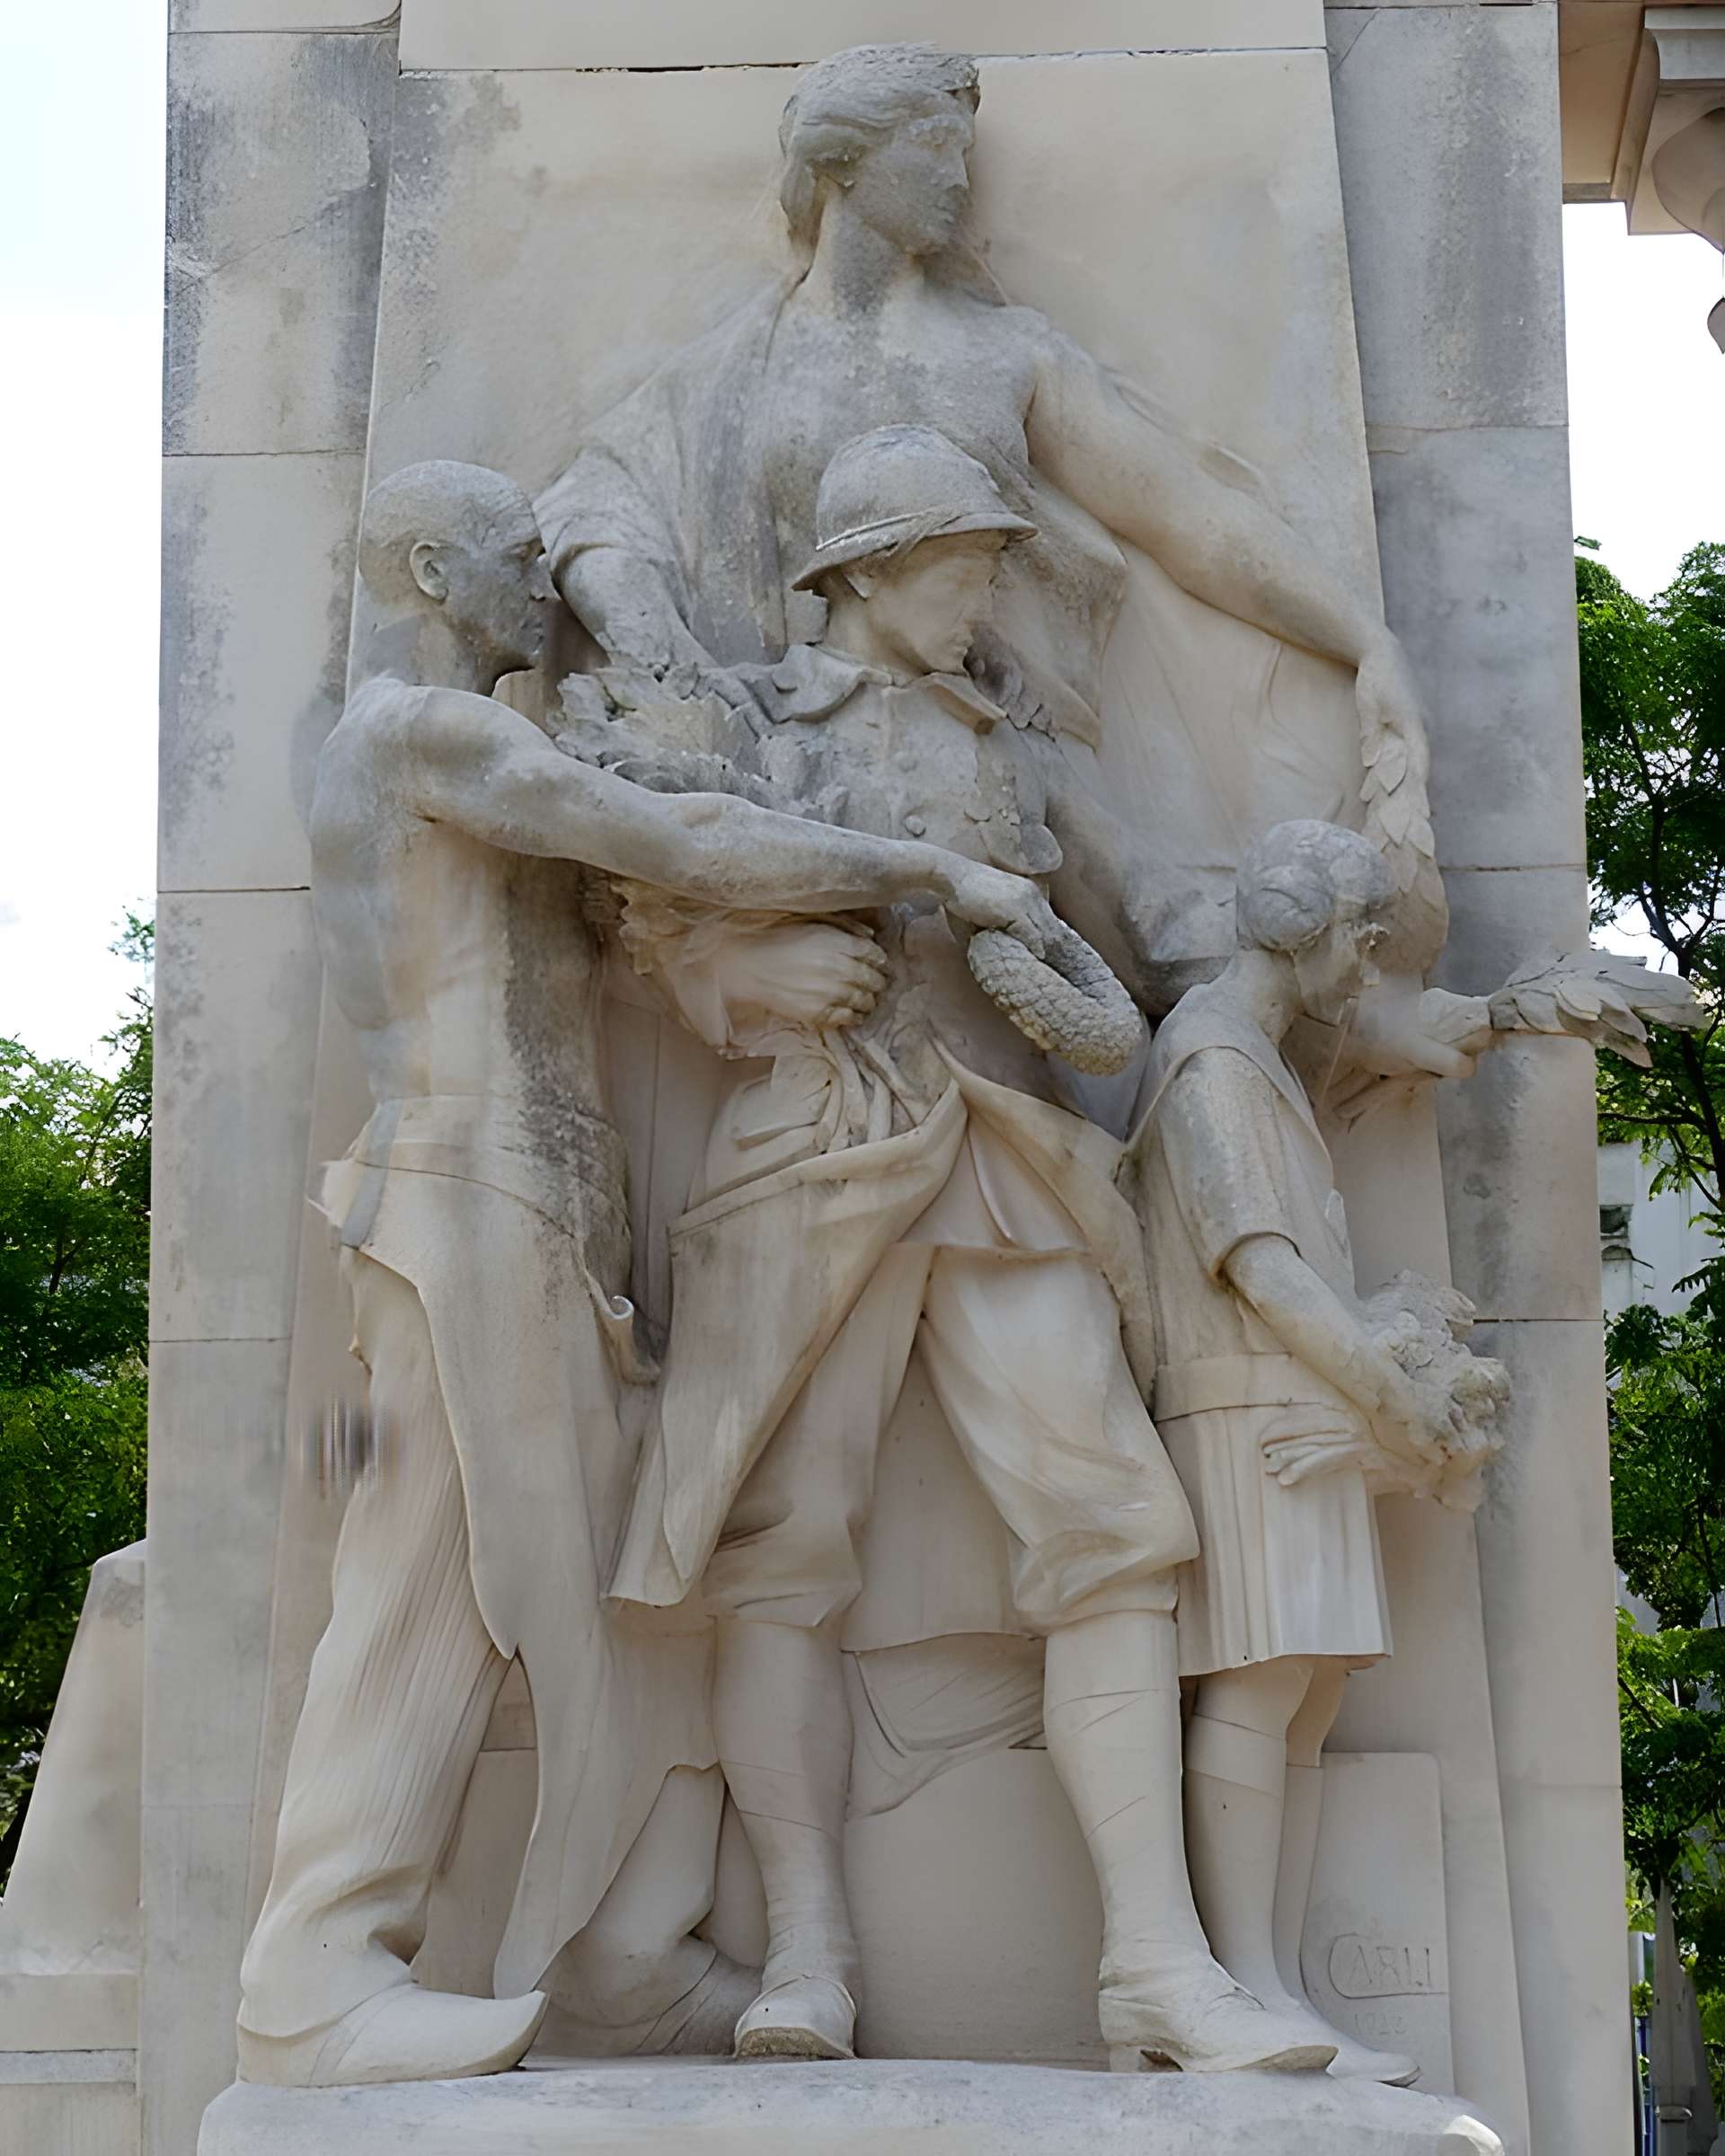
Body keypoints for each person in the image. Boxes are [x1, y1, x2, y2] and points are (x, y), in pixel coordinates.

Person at [235, 458, 1056, 2088]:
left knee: (623, 1593)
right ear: (425, 565)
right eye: (509, 552)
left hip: (539, 1210)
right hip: (471, 1190)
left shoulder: (477, 752)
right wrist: (932, 872)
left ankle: (615, 1962)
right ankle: (315, 1976)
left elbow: (639, 899)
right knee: (432, 1591)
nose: (540, 577)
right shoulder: (428, 734)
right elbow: (670, 835)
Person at [605, 428, 1333, 2077]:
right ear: (864, 570)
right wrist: (740, 981)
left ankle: (1154, 1963)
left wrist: (1356, 934)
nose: (981, 589)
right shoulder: (758, 734)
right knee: (783, 1551)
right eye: (957, 560)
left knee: (1117, 1533)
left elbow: (1170, 927)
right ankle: (806, 1955)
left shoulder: (1021, 756)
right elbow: (652, 915)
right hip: (809, 1152)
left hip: (1002, 1158)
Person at [538, 40, 1444, 963]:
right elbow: (597, 513)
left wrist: (1363, 640)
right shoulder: (732, 372)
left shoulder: (1006, 355)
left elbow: (1187, 519)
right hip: (797, 773)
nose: (961, 176)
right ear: (844, 163)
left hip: (1003, 760)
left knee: (1147, 960)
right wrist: (681, 669)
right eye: (935, 146)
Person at [1130, 821, 1507, 2085]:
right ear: (1298, 926)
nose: (1366, 960)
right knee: (1265, 1680)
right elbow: (1265, 1269)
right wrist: (1391, 1396)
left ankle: (1271, 1985)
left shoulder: (1264, 1061)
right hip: (1253, 1411)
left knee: (1308, 1693)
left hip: (1304, 1413)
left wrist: (1387, 1350)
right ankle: (1240, 1983)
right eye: (1359, 933)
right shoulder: (1213, 1061)